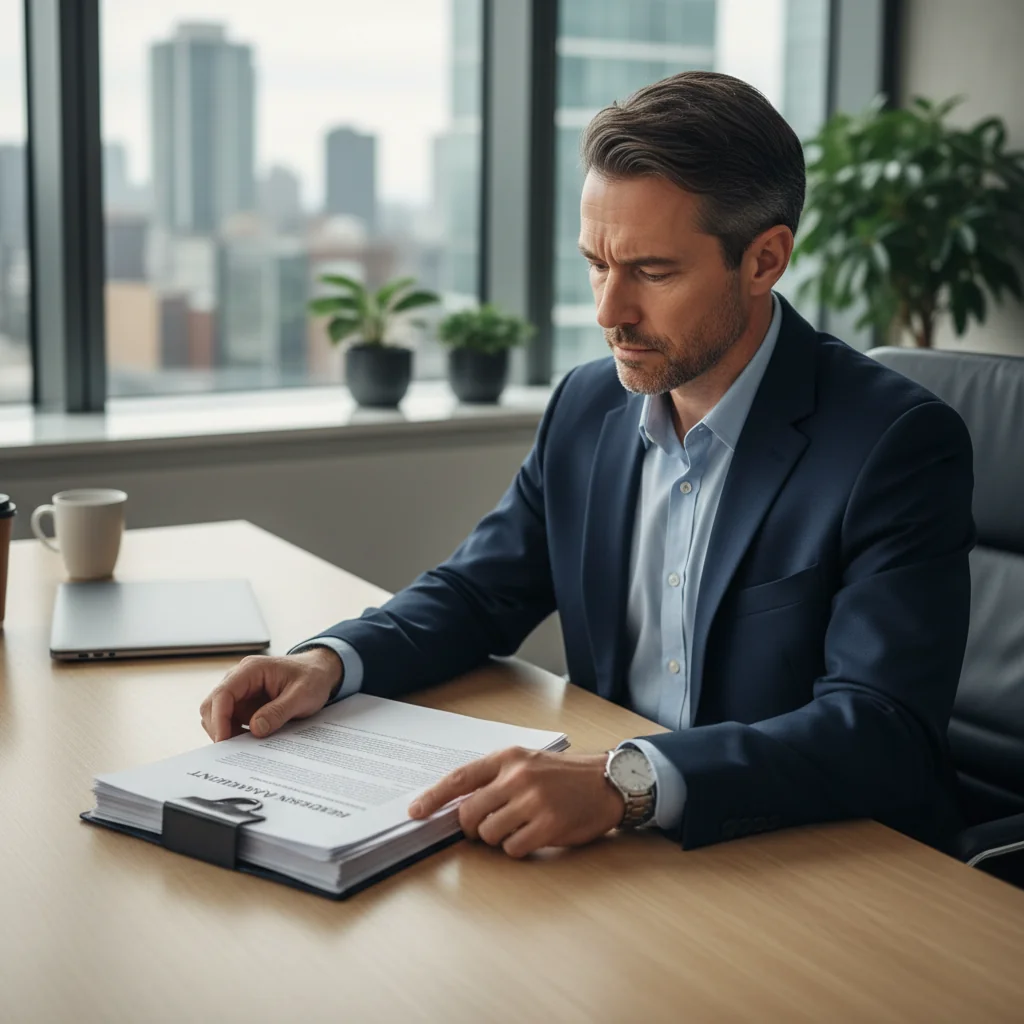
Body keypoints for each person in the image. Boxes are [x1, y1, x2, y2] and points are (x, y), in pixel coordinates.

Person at [200, 71, 974, 859]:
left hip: (809, 855)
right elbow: (477, 591)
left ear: (764, 260)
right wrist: (329, 662)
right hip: (625, 854)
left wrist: (625, 781)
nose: (610, 312)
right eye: (598, 264)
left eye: (652, 271)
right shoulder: (586, 405)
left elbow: (882, 730)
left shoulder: (894, 444)